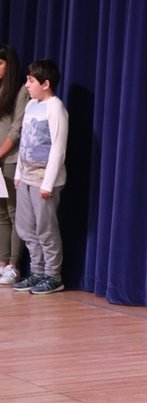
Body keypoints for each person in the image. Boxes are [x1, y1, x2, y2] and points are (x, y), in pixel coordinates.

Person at [12, 59, 69, 295]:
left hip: (44, 181)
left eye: (31, 81)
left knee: (46, 229)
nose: (27, 85)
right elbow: (24, 141)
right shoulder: (31, 105)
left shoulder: (55, 107)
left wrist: (47, 183)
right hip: (26, 178)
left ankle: (53, 275)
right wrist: (18, 173)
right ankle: (37, 270)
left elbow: (58, 147)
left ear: (45, 84)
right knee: (26, 228)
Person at [0, 45, 29, 286]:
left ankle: (14, 265)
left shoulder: (21, 91)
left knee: (13, 211)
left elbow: (16, 128)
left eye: (0, 63)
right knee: (0, 214)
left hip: (10, 160)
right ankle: (2, 263)